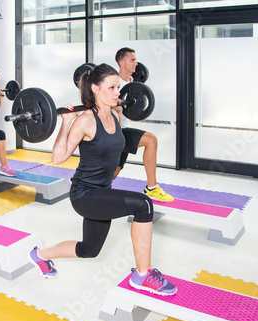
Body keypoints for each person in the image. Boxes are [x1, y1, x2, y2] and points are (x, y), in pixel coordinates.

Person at [28, 64, 176, 296]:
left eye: (119, 87)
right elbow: (58, 158)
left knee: (89, 250)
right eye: (112, 87)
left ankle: (39, 255)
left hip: (102, 191)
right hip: (85, 194)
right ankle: (143, 275)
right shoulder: (85, 120)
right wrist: (66, 123)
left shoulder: (116, 114)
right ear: (96, 88)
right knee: (143, 204)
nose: (119, 92)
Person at [113, 47, 174, 202]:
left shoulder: (132, 83)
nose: (136, 63)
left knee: (113, 174)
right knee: (151, 140)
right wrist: (114, 103)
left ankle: (84, 180)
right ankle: (152, 187)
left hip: (122, 129)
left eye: (136, 59)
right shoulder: (114, 82)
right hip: (112, 131)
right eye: (132, 60)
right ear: (122, 62)